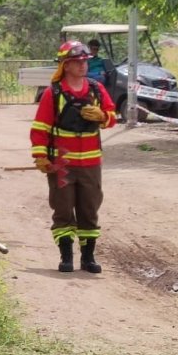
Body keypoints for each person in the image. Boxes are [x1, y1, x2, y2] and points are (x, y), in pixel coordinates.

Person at [30, 40, 116, 274]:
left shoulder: (96, 90)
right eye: (77, 62)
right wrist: (40, 156)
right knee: (63, 209)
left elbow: (112, 118)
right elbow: (40, 128)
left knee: (89, 209)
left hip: (90, 163)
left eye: (84, 62)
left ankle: (88, 258)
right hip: (62, 164)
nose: (82, 66)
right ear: (66, 65)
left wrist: (102, 116)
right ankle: (66, 256)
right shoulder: (53, 92)